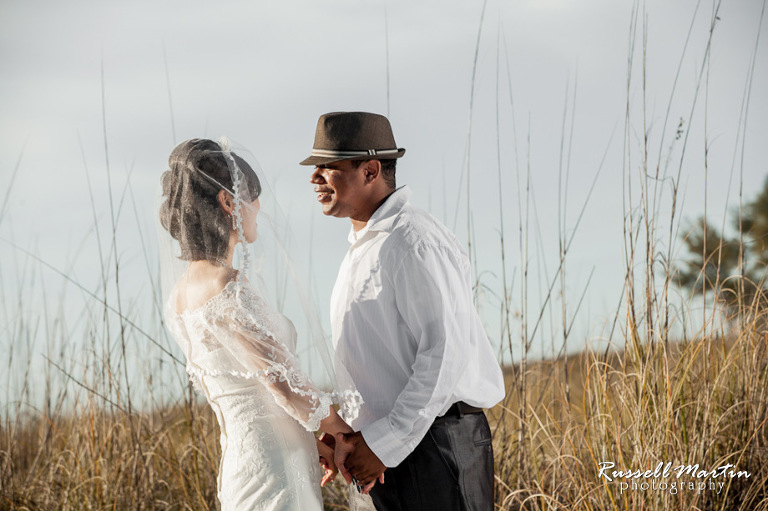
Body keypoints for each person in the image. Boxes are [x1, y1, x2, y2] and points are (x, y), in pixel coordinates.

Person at [301, 112, 506, 510]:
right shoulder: (361, 249)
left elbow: (445, 353)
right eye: (315, 167)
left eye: (329, 167)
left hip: (437, 445)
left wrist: (384, 443)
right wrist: (350, 436)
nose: (315, 177)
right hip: (387, 451)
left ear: (371, 170)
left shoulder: (413, 241)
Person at [157, 138, 361, 511]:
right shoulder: (226, 287)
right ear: (228, 202)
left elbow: (244, 390)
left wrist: (308, 441)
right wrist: (337, 429)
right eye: (251, 196)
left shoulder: (180, 294)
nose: (259, 207)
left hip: (244, 460)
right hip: (274, 469)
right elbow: (279, 378)